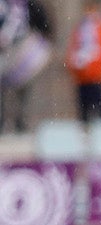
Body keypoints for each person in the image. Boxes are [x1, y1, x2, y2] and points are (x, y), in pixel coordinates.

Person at [0, 0, 52, 134]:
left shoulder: (28, 5)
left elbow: (43, 24)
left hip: (21, 50)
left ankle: (20, 122)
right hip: (4, 52)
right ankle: (4, 121)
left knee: (23, 88)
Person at [65, 0, 101, 123]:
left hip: (96, 77)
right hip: (82, 77)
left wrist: (92, 67)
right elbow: (73, 49)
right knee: (84, 112)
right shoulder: (81, 29)